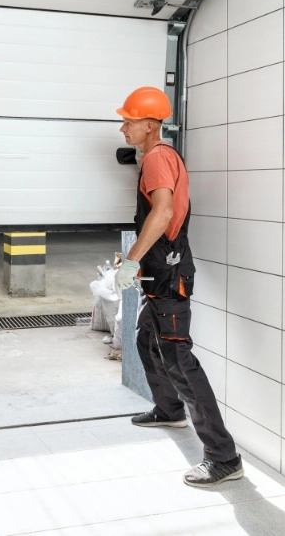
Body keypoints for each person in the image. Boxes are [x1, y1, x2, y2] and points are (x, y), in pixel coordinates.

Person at [114, 86, 243, 488]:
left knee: (178, 359)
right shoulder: (156, 156)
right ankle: (169, 409)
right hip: (161, 271)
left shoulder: (156, 158)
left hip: (168, 274)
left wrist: (133, 257)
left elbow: (164, 211)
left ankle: (223, 456)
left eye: (129, 121)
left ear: (150, 125)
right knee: (144, 339)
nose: (123, 128)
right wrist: (135, 258)